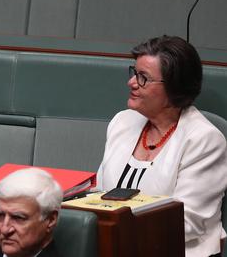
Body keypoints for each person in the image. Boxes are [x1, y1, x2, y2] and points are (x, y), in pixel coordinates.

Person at [96, 35, 227, 257]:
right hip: (113, 246)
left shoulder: (204, 140)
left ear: (174, 88)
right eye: (134, 73)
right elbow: (99, 194)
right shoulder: (122, 122)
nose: (132, 82)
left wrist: (112, 229)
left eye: (143, 78)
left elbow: (187, 222)